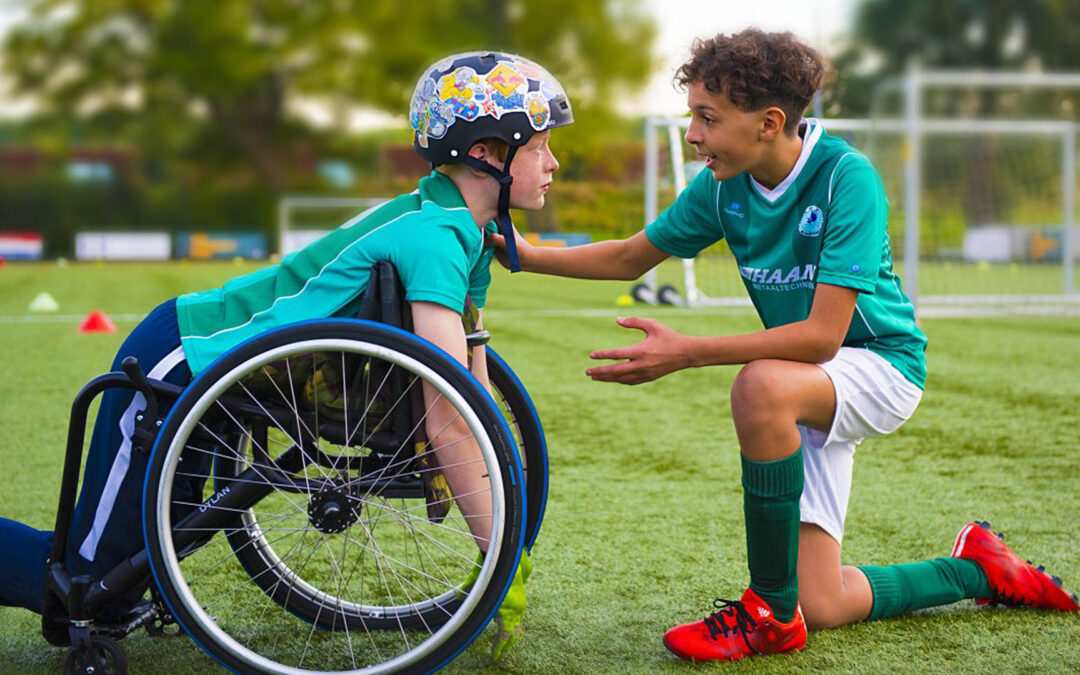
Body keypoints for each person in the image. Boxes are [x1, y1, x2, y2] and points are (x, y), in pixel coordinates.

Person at [490, 28, 1079, 662]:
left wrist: (688, 350)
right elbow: (633, 255)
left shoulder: (846, 179)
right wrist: (517, 253)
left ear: (770, 122)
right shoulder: (723, 187)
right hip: (814, 381)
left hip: (881, 366)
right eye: (692, 115)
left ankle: (767, 612)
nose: (691, 134)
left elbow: (824, 336)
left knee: (762, 383)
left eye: (707, 118)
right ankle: (979, 570)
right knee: (823, 604)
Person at [0, 50, 572, 660]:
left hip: (233, 373)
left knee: (149, 552)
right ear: (486, 151)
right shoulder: (434, 237)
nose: (554, 162)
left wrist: (491, 511)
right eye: (538, 146)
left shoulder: (463, 231)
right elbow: (451, 415)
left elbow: (472, 395)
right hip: (185, 355)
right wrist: (500, 557)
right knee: (86, 580)